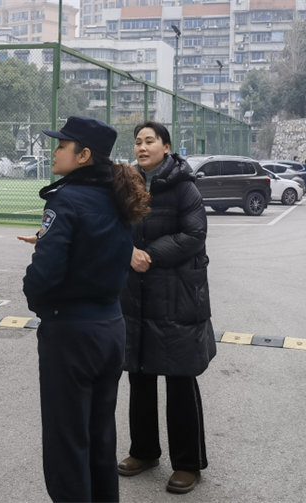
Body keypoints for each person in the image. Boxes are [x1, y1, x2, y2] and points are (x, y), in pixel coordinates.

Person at [22, 116, 151, 502]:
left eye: (63, 145)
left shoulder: (67, 199)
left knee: (66, 440)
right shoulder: (117, 194)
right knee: (100, 434)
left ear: (83, 155)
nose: (55, 151)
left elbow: (44, 275)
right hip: (110, 326)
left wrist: (40, 303)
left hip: (71, 332)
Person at [117, 121, 216, 495]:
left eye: (149, 141)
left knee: (179, 378)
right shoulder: (128, 184)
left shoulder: (184, 186)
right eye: (137, 142)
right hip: (136, 295)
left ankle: (188, 464)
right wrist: (127, 251)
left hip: (177, 296)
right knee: (139, 374)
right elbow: (113, 227)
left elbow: (194, 234)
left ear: (166, 146)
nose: (142, 147)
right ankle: (143, 452)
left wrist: (149, 255)